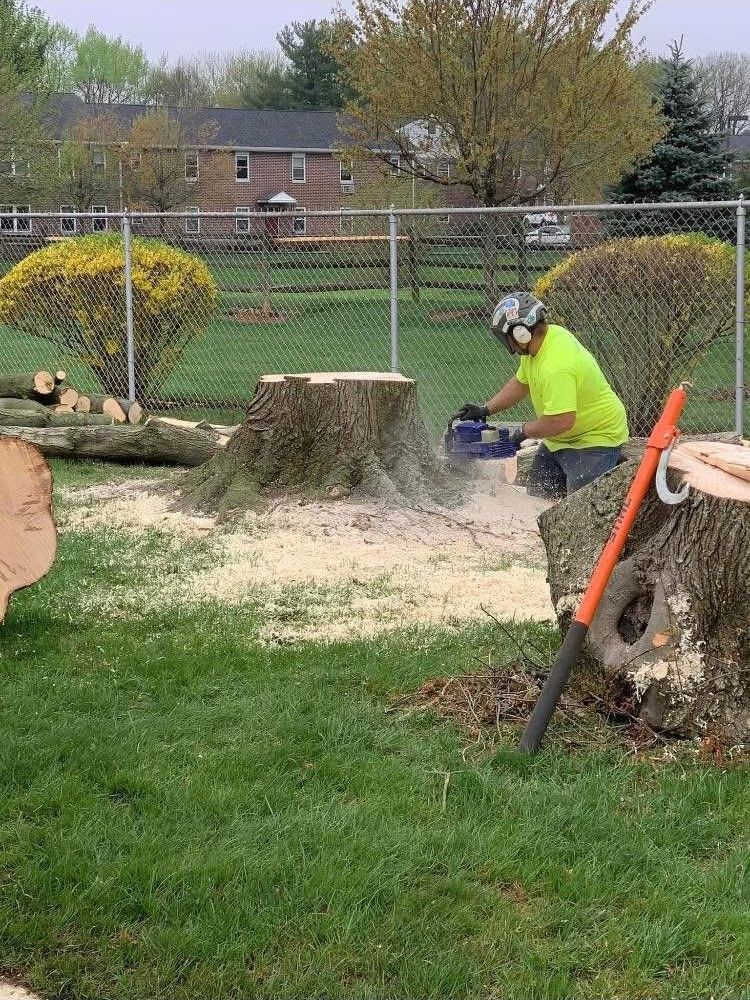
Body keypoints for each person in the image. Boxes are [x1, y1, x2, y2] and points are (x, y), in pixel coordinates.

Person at [455, 292, 628, 499]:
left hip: (595, 439)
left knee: (579, 507)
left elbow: (562, 420)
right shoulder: (540, 344)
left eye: (506, 337)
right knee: (538, 495)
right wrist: (485, 409)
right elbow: (521, 383)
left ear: (520, 333)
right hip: (560, 440)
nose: (507, 344)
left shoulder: (556, 365)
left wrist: (522, 432)